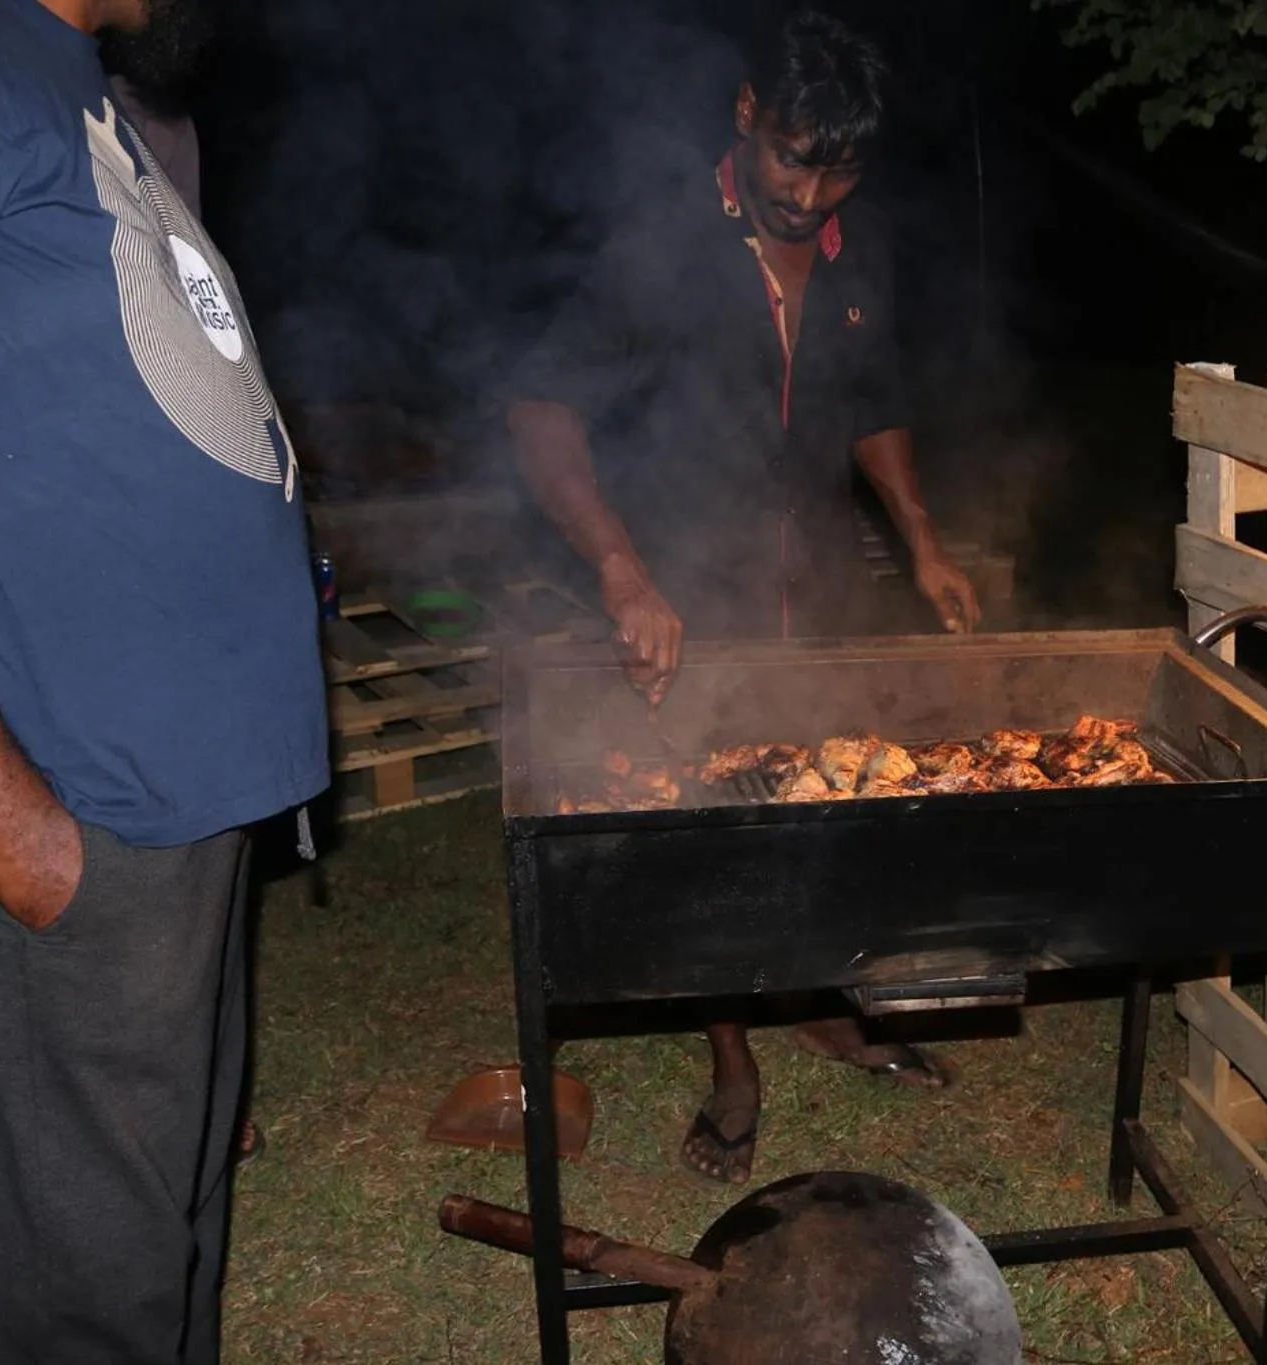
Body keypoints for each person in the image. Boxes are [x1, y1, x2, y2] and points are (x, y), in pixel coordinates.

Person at [0, 0, 327, 1358]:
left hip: (164, 807)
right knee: (86, 1299)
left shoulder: (69, 81)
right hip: (62, 810)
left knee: (160, 1237)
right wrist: (20, 834)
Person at [507, 8, 981, 1184]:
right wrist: (621, 570)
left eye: (839, 170)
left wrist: (921, 541)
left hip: (817, 577)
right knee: (711, 824)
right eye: (792, 158)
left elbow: (874, 403)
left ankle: (819, 1003)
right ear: (744, 115)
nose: (811, 195)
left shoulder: (858, 247)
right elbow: (541, 412)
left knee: (821, 799)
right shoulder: (658, 238)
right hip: (684, 582)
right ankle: (731, 1060)